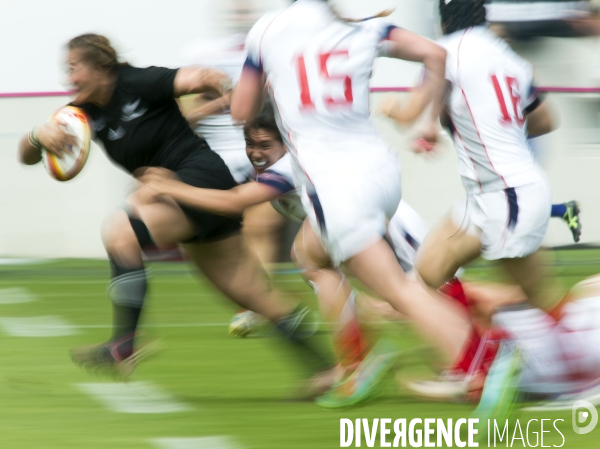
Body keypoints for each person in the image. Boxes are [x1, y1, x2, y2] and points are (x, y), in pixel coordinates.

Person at [17, 34, 333, 388]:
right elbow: (27, 157)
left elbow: (196, 77)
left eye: (74, 68)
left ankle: (124, 343)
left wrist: (218, 84)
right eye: (67, 70)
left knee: (119, 229)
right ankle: (331, 371)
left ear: (100, 67)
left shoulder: (136, 81)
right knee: (257, 297)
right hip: (177, 196)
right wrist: (36, 136)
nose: (69, 78)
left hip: (202, 180)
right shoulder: (82, 114)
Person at [229, 0, 482, 408]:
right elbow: (436, 55)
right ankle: (355, 364)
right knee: (309, 254)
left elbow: (242, 110)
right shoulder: (362, 24)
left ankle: (482, 363)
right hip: (381, 172)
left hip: (336, 185)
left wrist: (271, 84)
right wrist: (423, 117)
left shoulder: (267, 30)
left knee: (400, 292)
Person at [383, 0, 567, 420]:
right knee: (425, 276)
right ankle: (481, 364)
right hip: (488, 197)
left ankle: (575, 372)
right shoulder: (509, 58)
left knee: (542, 301)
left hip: (507, 198)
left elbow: (409, 110)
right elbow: (545, 121)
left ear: (443, 18)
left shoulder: (444, 52)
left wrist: (392, 108)